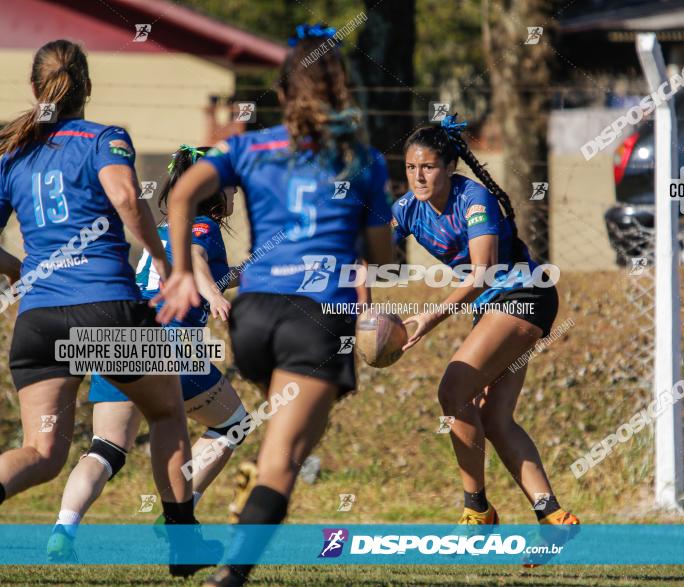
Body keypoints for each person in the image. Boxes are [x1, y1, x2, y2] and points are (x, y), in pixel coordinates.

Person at [152, 23, 392, 587]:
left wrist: (183, 271)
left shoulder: (248, 145)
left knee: (289, 437)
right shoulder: (361, 158)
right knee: (287, 457)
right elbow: (379, 255)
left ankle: (254, 489)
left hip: (256, 316)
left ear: (283, 93)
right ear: (342, 90)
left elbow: (182, 191)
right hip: (315, 317)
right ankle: (230, 573)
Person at [0, 39, 208, 576]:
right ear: (87, 87)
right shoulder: (104, 138)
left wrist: (19, 271)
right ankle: (184, 545)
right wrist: (164, 260)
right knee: (166, 412)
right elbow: (123, 198)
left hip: (39, 321)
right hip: (106, 308)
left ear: (34, 88)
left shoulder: (13, 153)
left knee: (43, 454)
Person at [46, 145, 250, 562]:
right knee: (235, 424)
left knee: (105, 448)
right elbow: (195, 260)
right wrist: (213, 293)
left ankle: (63, 529)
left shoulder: (163, 229)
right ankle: (178, 512)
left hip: (119, 339)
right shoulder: (201, 226)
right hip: (168, 345)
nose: (234, 192)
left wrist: (241, 276)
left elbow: (198, 268)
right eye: (229, 184)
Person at [394, 117, 580, 530]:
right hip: (493, 307)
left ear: (449, 167)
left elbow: (484, 274)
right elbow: (368, 256)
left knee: (453, 389)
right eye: (410, 167)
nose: (418, 176)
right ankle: (551, 514)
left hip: (523, 295)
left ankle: (476, 508)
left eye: (428, 167)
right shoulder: (406, 209)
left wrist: (430, 317)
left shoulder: (474, 199)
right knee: (494, 416)